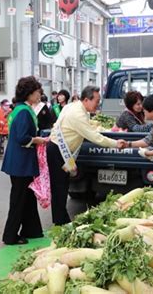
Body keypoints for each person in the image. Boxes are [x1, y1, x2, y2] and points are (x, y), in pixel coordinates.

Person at [47, 86, 127, 225]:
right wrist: (115, 143)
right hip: (57, 150)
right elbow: (94, 136)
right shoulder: (78, 114)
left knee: (62, 186)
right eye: (97, 100)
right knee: (59, 187)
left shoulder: (75, 107)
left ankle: (61, 218)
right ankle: (60, 221)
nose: (98, 104)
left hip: (59, 149)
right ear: (86, 99)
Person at [1, 76, 46, 245]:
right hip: (21, 162)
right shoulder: (24, 112)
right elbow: (22, 137)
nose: (39, 95)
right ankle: (10, 235)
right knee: (19, 199)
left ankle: (32, 230)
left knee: (27, 197)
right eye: (36, 92)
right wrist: (37, 140)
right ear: (28, 94)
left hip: (19, 161)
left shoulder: (18, 109)